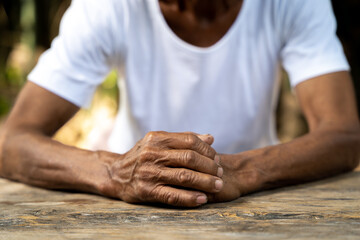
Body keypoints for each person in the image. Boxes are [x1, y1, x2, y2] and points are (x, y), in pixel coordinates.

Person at [0, 0, 359, 207]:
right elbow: (12, 140)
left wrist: (242, 171)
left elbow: (343, 135)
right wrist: (115, 171)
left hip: (252, 204)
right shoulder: (109, 6)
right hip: (133, 209)